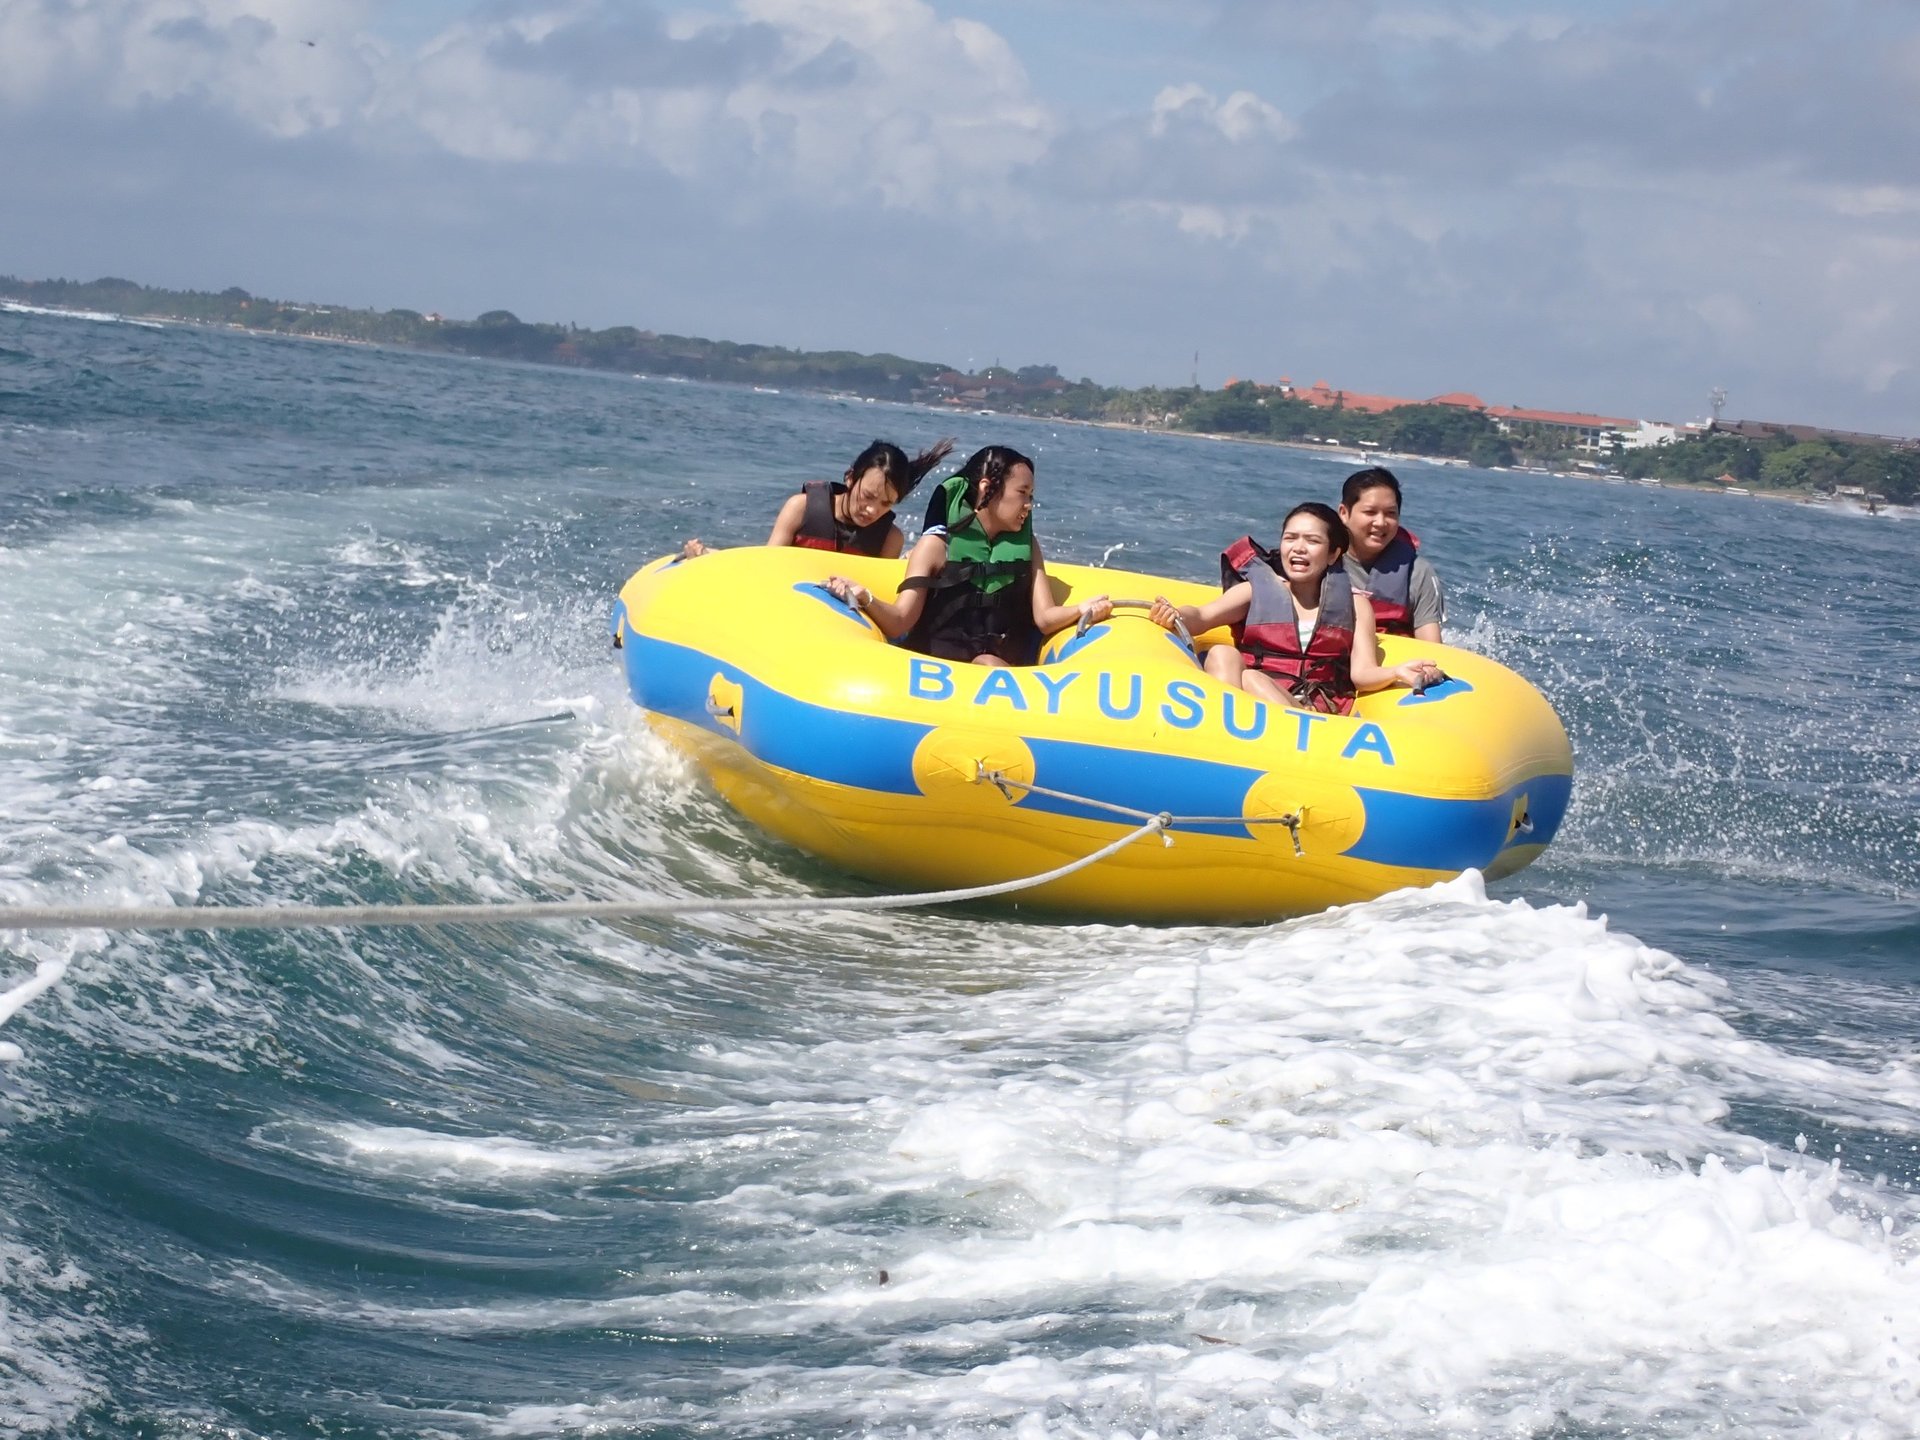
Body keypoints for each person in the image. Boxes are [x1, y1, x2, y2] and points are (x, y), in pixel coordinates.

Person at [826, 445, 1111, 667]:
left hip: (998, 672)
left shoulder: (1028, 546)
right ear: (987, 489)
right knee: (986, 663)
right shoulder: (937, 546)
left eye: (1031, 496)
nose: (1028, 505)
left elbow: (1046, 617)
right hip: (934, 670)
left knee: (987, 663)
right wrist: (864, 597)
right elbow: (900, 620)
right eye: (1022, 493)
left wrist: (1083, 609)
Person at [1148, 502, 1442, 713]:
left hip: (1314, 712)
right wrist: (1174, 614)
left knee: (1251, 678)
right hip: (1253, 706)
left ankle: (1293, 732)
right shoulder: (1254, 592)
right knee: (1222, 654)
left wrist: (1398, 672)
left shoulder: (1355, 606)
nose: (1298, 548)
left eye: (1312, 541)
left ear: (1332, 554)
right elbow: (1200, 617)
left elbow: (1362, 674)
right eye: (1290, 538)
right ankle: (1223, 742)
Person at [680, 437, 954, 559]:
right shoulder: (801, 508)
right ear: (850, 478)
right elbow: (766, 564)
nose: (872, 510)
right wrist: (708, 557)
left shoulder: (890, 539)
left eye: (886, 503)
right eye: (868, 496)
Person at [1338, 466, 1444, 641]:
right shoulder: (1320, 561)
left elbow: (1432, 648)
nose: (1380, 522)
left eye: (1390, 514)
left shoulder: (1418, 573)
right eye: (1370, 512)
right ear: (1344, 513)